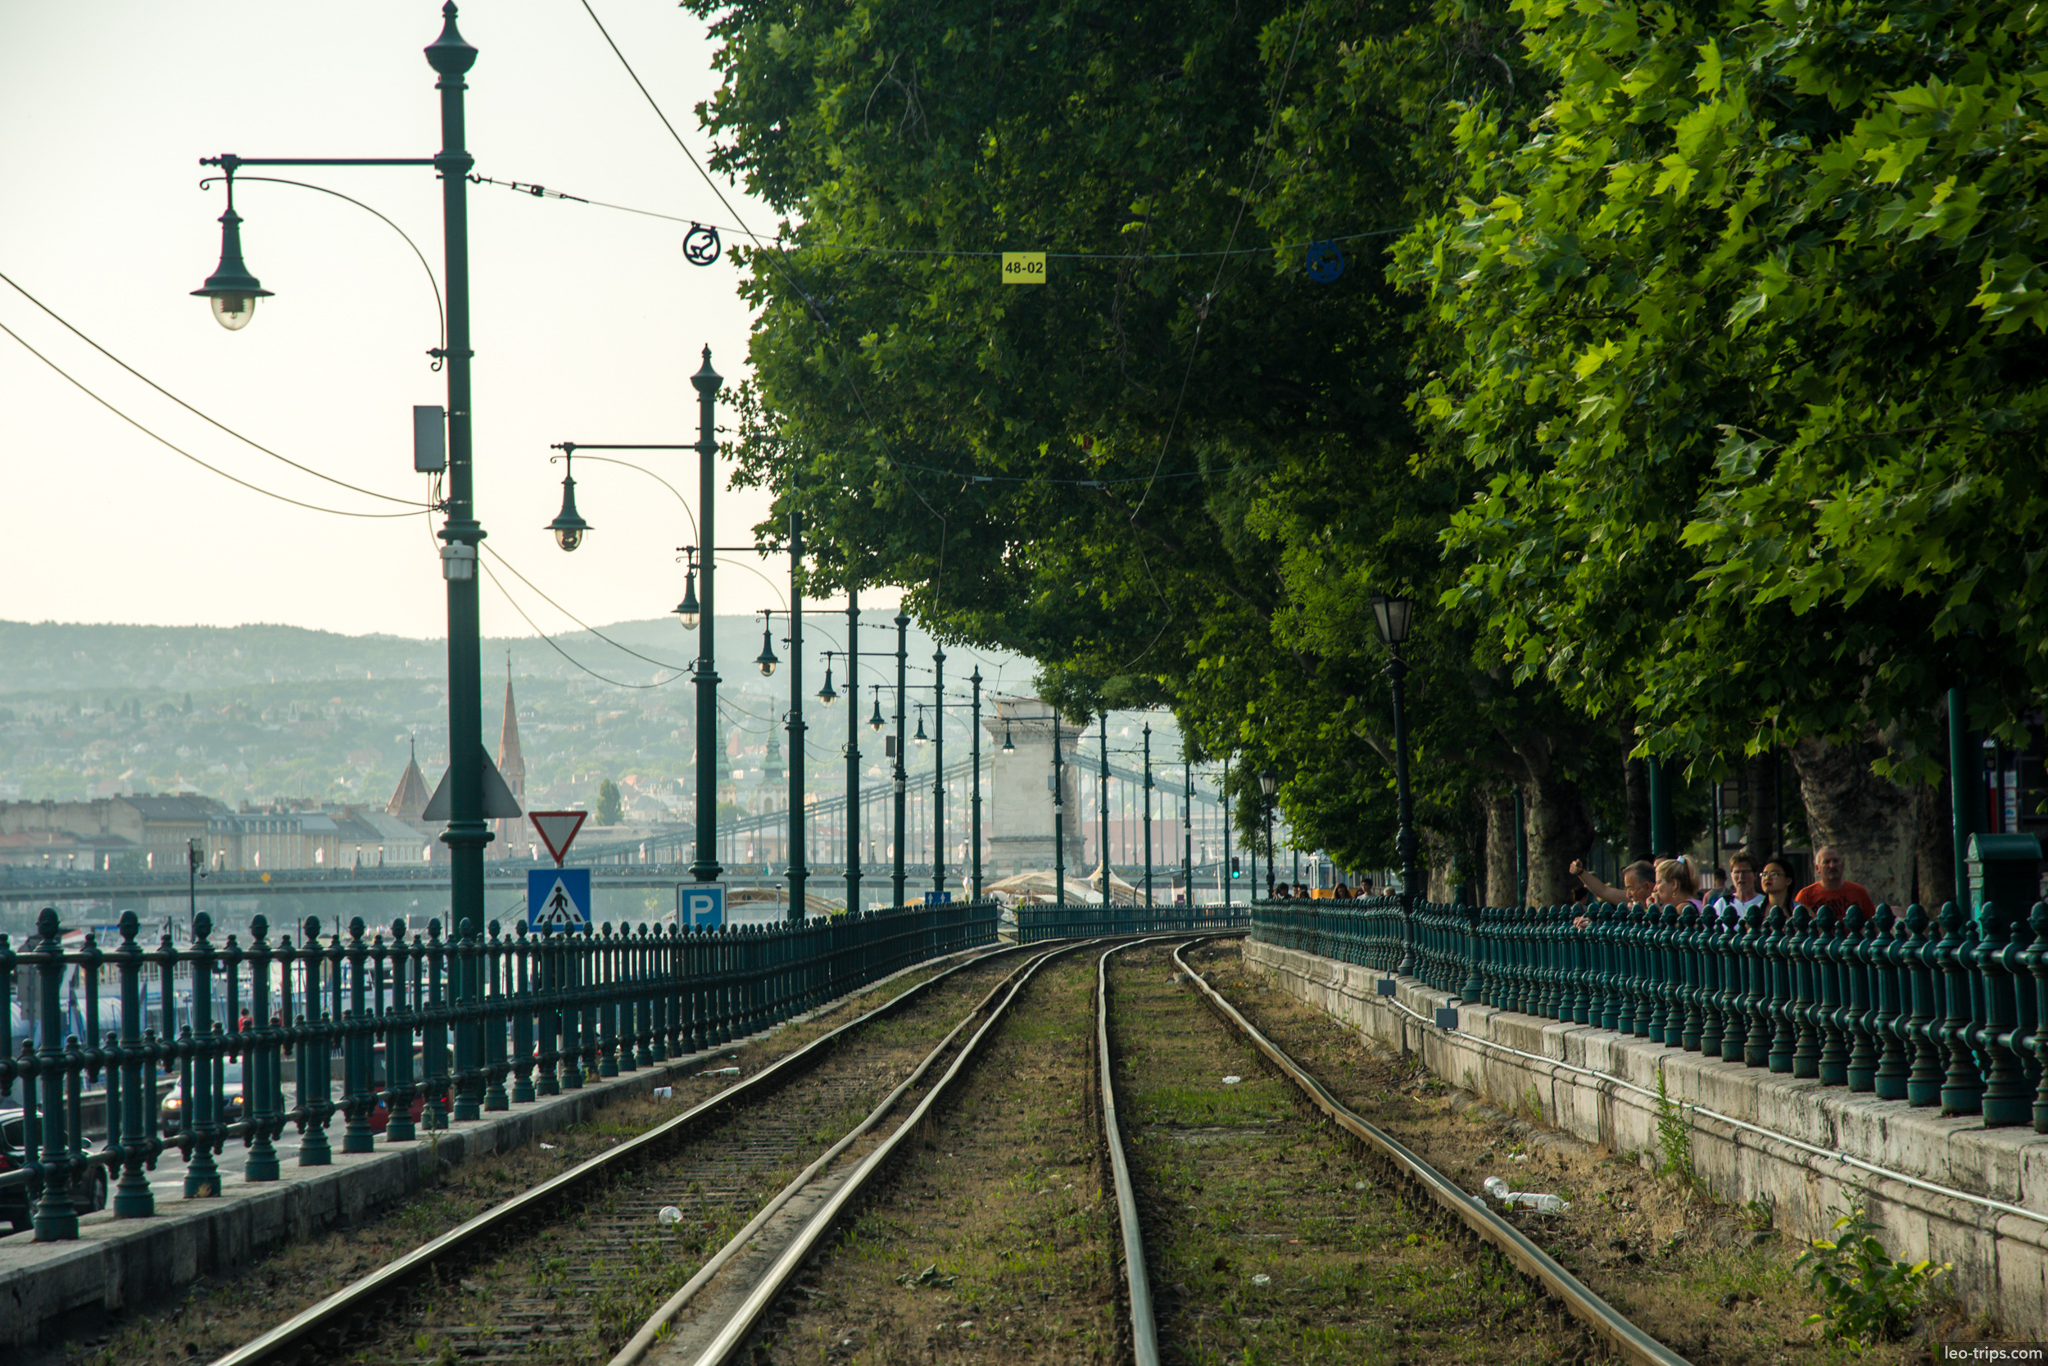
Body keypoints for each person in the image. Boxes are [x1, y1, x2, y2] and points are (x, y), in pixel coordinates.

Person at [1796, 845, 1880, 921]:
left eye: (1835, 861)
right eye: (1826, 862)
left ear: (1843, 865)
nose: (1832, 865)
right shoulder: (1806, 896)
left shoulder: (1858, 891)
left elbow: (1872, 923)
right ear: (1817, 868)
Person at [1569, 858, 1655, 906]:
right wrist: (1581, 873)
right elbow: (1603, 891)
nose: (1628, 895)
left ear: (1647, 887)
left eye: (1631, 888)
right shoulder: (1635, 901)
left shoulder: (1662, 907)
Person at [1709, 852, 1765, 923]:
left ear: (1755, 875)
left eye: (1745, 872)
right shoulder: (1722, 904)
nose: (1741, 876)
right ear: (1731, 875)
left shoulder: (1764, 903)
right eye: (1737, 872)